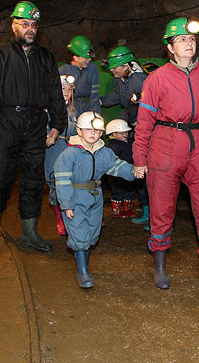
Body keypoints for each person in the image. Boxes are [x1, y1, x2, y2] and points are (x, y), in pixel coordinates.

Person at [132, 17, 199, 296]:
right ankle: (159, 265)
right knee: (162, 209)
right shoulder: (157, 79)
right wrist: (140, 158)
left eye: (192, 40)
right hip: (165, 144)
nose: (189, 44)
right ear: (170, 47)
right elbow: (144, 122)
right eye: (182, 40)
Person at [0, 0, 66, 251]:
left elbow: (55, 93)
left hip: (35, 123)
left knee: (33, 180)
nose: (30, 29)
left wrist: (58, 122)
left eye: (34, 25)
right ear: (13, 25)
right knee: (0, 176)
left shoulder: (46, 58)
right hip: (5, 122)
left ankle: (29, 231)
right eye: (25, 24)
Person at [54, 111, 140, 288]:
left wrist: (133, 171)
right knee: (79, 234)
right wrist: (67, 204)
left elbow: (117, 166)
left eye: (97, 130)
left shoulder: (104, 153)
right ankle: (83, 271)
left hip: (95, 197)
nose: (93, 133)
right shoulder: (69, 153)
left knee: (92, 233)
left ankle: (83, 263)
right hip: (75, 196)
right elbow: (62, 181)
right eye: (88, 129)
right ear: (79, 131)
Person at [100, 45, 150, 228]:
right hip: (132, 123)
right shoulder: (120, 80)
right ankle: (144, 209)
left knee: (145, 169)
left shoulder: (140, 80)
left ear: (126, 65)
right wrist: (101, 101)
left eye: (115, 67)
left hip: (144, 127)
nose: (112, 70)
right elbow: (119, 98)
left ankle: (152, 213)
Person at [44, 73, 77, 236]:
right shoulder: (47, 110)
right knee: (55, 183)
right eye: (63, 88)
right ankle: (60, 219)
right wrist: (46, 137)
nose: (66, 91)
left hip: (70, 149)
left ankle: (73, 216)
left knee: (73, 183)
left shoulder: (74, 110)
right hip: (53, 150)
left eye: (69, 89)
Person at [58, 35, 100, 115]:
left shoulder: (92, 69)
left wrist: (96, 114)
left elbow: (94, 95)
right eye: (86, 57)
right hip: (69, 108)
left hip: (87, 107)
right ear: (76, 57)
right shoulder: (63, 71)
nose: (89, 59)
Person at [105, 119, 137, 219]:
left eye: (126, 132)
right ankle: (116, 210)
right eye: (121, 133)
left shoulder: (130, 142)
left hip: (129, 172)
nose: (125, 135)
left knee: (130, 191)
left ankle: (127, 208)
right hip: (117, 176)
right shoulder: (113, 145)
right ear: (113, 134)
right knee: (118, 192)